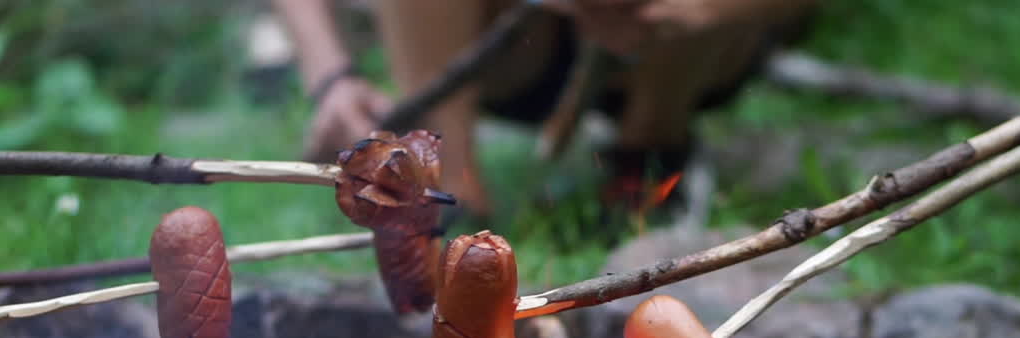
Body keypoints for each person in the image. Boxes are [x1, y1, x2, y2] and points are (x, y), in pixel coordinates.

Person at [273, 0, 816, 220]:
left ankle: (645, 162)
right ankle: (452, 199)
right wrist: (332, 80)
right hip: (517, 46)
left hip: (696, 44)